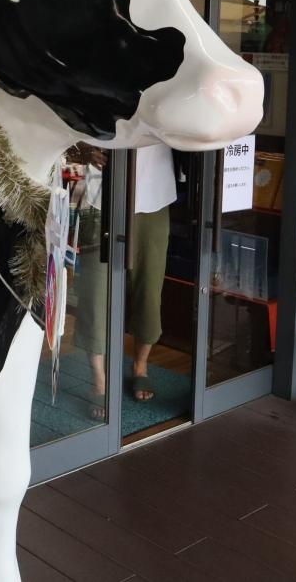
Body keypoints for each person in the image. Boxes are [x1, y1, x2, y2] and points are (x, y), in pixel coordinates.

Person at [70, 143, 175, 418]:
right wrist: (83, 148)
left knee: (149, 289)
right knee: (95, 291)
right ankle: (99, 381)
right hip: (100, 193)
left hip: (154, 191)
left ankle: (140, 366)